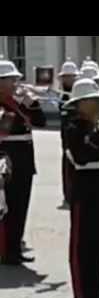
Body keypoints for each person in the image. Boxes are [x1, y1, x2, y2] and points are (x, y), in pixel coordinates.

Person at [63, 78, 99, 298]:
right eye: (92, 102)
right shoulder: (72, 126)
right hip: (85, 190)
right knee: (83, 246)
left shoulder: (98, 124)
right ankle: (84, 295)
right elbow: (81, 156)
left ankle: (96, 293)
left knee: (97, 246)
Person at [0, 55, 47, 265]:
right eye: (10, 79)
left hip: (25, 161)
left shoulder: (19, 101)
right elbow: (4, 128)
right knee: (6, 207)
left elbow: (41, 122)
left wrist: (32, 103)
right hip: (6, 160)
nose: (15, 83)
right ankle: (6, 249)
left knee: (20, 206)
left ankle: (14, 246)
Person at [57, 58, 80, 209]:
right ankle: (68, 195)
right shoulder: (63, 95)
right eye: (65, 77)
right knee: (67, 167)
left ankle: (75, 193)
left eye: (70, 77)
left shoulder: (77, 91)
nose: (67, 79)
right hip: (67, 136)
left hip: (78, 133)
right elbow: (64, 111)